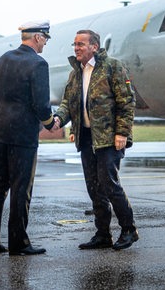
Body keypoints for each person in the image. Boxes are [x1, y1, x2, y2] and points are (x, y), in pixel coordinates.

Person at [53, 29, 138, 250]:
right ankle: (103, 234)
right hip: (87, 137)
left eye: (81, 44)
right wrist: (57, 120)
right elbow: (68, 104)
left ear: (95, 46)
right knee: (93, 187)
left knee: (109, 184)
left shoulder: (112, 67)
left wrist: (122, 133)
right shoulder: (76, 73)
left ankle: (129, 230)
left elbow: (126, 102)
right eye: (75, 44)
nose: (76, 48)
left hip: (109, 137)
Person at [0, 20, 56, 256]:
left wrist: (0, 121)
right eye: (45, 38)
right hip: (23, 135)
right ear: (37, 38)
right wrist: (50, 123)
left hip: (1, 131)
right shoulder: (38, 64)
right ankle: (19, 243)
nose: (45, 43)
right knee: (21, 189)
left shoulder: (3, 59)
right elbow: (41, 104)